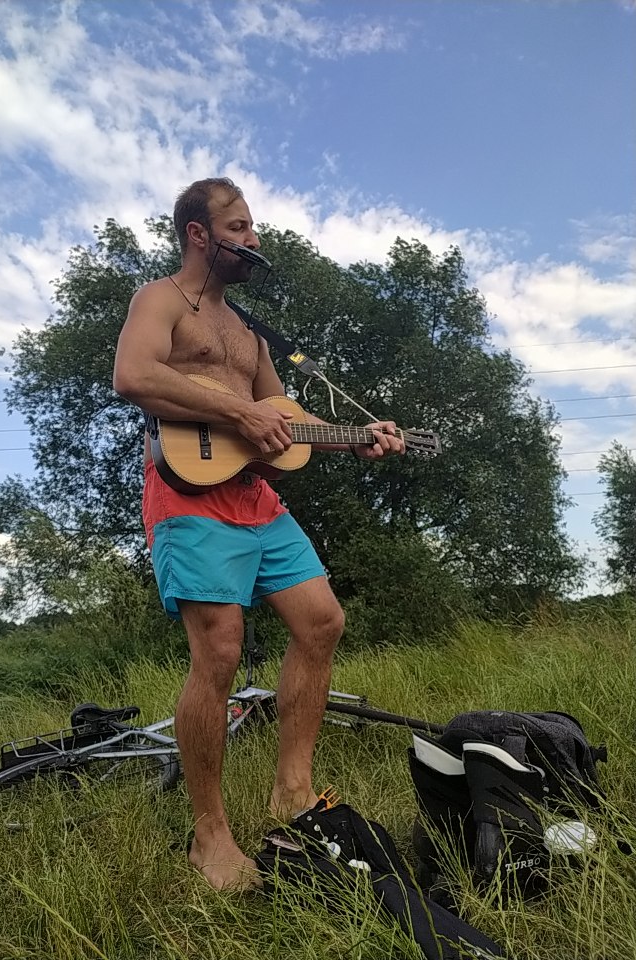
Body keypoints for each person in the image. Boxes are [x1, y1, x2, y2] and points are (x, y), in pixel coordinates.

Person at [113, 178, 404, 890]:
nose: (255, 238)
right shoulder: (159, 300)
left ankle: (292, 790)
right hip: (186, 496)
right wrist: (237, 415)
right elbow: (132, 373)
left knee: (322, 622)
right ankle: (209, 837)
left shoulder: (249, 332)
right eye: (239, 226)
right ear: (198, 235)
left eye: (255, 227)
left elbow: (282, 424)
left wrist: (355, 437)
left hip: (254, 498)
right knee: (219, 652)